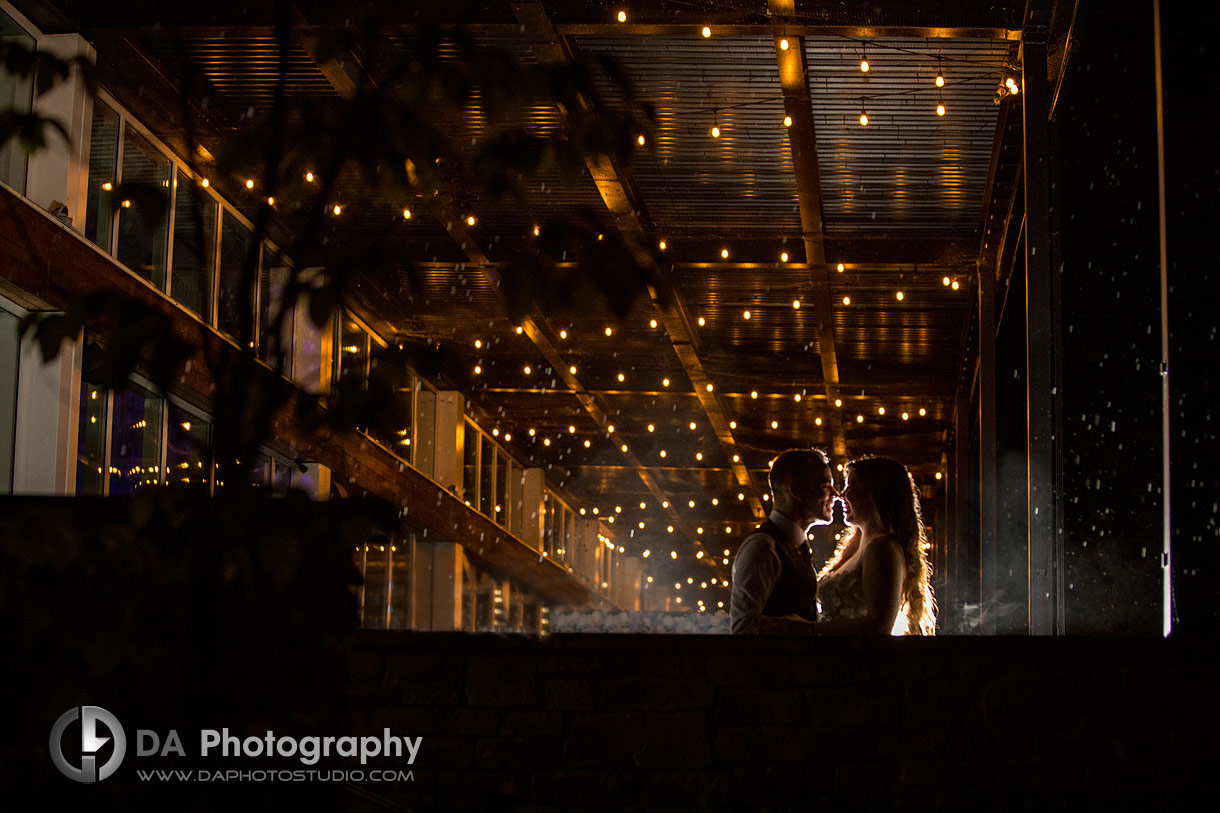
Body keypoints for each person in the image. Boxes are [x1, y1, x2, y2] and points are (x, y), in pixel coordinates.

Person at [815, 455, 936, 635]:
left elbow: (879, 625)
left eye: (852, 485)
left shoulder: (882, 548)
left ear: (876, 492)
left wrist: (807, 629)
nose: (842, 494)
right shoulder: (857, 547)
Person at [729, 448, 838, 634]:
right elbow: (743, 629)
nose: (835, 493)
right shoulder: (763, 547)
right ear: (795, 490)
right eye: (826, 485)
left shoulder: (795, 548)